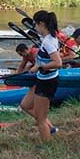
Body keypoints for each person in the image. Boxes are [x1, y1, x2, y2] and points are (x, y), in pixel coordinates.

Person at [19, 10, 62, 141]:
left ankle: (47, 147)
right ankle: (51, 129)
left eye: (35, 25)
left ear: (41, 24)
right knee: (25, 105)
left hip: (47, 82)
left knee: (40, 119)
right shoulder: (49, 38)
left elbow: (58, 63)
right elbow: (45, 59)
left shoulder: (49, 42)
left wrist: (39, 67)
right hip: (41, 79)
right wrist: (36, 65)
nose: (34, 27)